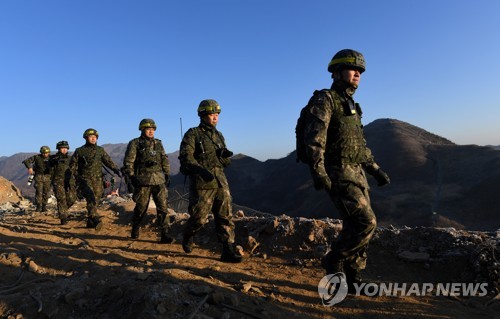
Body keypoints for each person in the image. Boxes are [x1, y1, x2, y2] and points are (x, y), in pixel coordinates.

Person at [302, 49, 390, 292]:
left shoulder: (351, 105)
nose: (358, 74)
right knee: (366, 222)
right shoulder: (326, 100)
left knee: (354, 226)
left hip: (357, 172)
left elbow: (358, 145)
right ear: (337, 72)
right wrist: (318, 172)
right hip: (339, 172)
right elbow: (315, 140)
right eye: (353, 69)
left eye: (360, 71)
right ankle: (334, 259)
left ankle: (354, 277)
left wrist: (375, 169)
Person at [179, 99, 242, 263]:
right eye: (212, 115)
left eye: (217, 115)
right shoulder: (193, 134)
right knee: (199, 218)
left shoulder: (219, 136)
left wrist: (225, 157)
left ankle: (228, 250)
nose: (215, 118)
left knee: (225, 216)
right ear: (202, 115)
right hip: (202, 183)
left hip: (220, 181)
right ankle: (188, 235)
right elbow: (186, 157)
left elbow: (225, 163)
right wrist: (200, 169)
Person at [122, 119, 174, 243]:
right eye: (148, 129)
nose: (151, 131)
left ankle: (164, 233)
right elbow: (129, 161)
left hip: (158, 180)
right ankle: (135, 226)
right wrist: (132, 176)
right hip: (143, 181)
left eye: (153, 129)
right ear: (142, 130)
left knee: (163, 207)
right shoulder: (135, 143)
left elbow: (164, 159)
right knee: (141, 207)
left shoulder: (158, 143)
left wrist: (167, 174)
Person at [68, 128, 121, 231]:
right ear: (86, 138)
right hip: (85, 179)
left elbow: (108, 161)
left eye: (95, 137)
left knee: (95, 200)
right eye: (91, 137)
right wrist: (74, 178)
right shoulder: (80, 151)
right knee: (91, 198)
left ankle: (90, 220)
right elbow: (72, 166)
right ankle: (95, 219)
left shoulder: (100, 150)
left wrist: (116, 169)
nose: (93, 139)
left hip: (98, 180)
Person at [49, 141, 77, 225]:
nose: (64, 150)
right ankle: (63, 217)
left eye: (65, 148)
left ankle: (63, 210)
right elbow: (48, 170)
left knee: (72, 198)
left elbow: (75, 169)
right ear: (58, 149)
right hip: (58, 182)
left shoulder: (71, 159)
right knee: (61, 199)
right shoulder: (53, 159)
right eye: (62, 148)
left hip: (69, 182)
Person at [22, 146, 52, 212]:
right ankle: (38, 207)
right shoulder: (36, 157)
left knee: (46, 192)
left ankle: (44, 206)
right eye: (43, 153)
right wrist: (29, 167)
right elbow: (26, 161)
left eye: (46, 153)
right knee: (39, 192)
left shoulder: (51, 158)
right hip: (38, 177)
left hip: (48, 177)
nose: (45, 154)